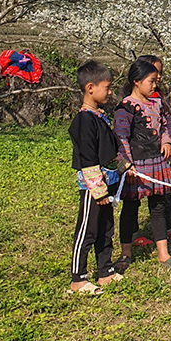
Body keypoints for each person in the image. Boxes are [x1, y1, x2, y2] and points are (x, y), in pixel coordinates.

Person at [114, 59, 171, 273]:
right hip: (136, 166)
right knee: (130, 207)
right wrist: (126, 165)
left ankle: (163, 252)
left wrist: (166, 141)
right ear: (136, 81)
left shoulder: (157, 103)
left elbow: (164, 127)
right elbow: (121, 137)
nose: (155, 85)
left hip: (156, 163)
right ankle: (126, 252)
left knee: (158, 206)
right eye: (151, 81)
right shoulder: (125, 107)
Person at [67, 60, 127, 295]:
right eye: (107, 87)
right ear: (90, 87)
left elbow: (109, 151)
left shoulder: (100, 116)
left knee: (106, 228)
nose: (110, 92)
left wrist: (124, 166)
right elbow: (88, 157)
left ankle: (105, 271)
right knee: (87, 229)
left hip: (108, 182)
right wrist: (98, 190)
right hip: (95, 187)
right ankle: (78, 278)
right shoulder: (84, 121)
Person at [136, 54, 171, 245]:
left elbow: (167, 124)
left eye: (159, 72)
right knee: (135, 196)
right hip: (141, 157)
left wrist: (169, 145)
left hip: (160, 156)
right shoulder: (131, 101)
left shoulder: (160, 97)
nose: (158, 77)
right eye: (154, 72)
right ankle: (134, 233)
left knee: (165, 193)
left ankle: (168, 229)